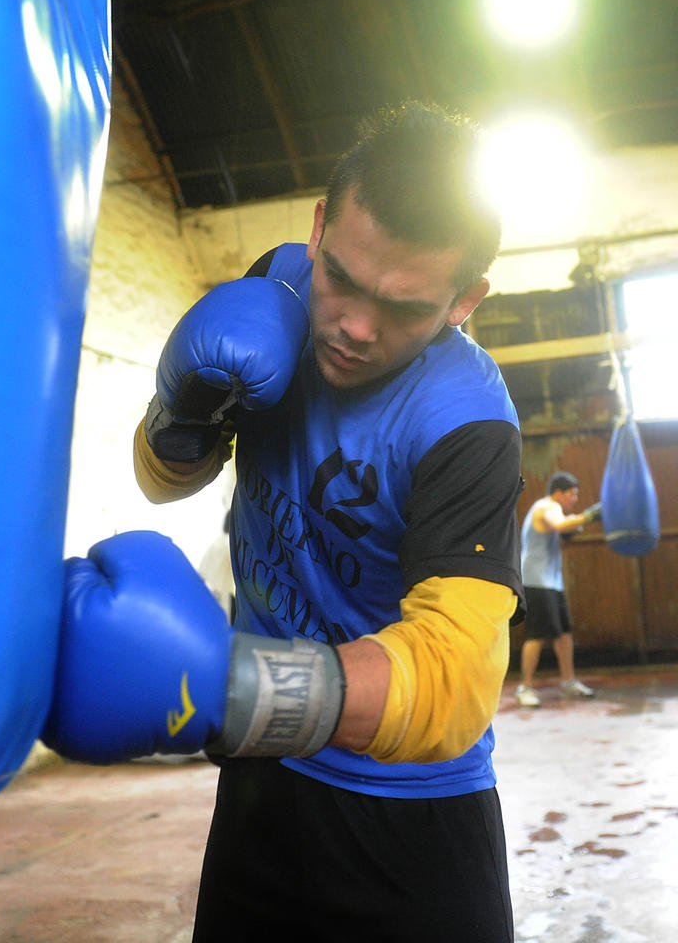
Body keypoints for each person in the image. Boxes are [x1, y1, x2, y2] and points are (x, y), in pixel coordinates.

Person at [126, 100, 526, 942]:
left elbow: (457, 679)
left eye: (404, 307)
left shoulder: (467, 426)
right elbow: (164, 480)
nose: (350, 326)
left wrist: (228, 691)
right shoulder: (276, 283)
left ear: (465, 300)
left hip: (409, 813)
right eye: (341, 278)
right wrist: (179, 413)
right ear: (318, 227)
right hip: (263, 781)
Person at [516, 471, 601, 708]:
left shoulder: (553, 508)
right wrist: (590, 515)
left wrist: (577, 526)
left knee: (564, 634)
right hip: (535, 581)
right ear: (559, 493)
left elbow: (565, 528)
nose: (574, 499)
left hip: (552, 582)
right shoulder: (546, 507)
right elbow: (561, 524)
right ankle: (525, 688)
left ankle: (568, 681)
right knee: (536, 635)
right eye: (572, 494)